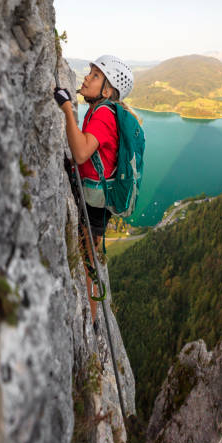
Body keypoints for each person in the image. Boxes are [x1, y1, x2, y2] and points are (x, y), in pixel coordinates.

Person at [54, 55, 135, 321]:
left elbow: (80, 153)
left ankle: (91, 318)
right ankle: (93, 314)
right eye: (90, 72)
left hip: (96, 204)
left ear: (108, 90)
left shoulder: (103, 115)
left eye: (96, 75)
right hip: (96, 198)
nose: (87, 77)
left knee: (89, 262)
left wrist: (66, 108)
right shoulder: (100, 110)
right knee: (89, 255)